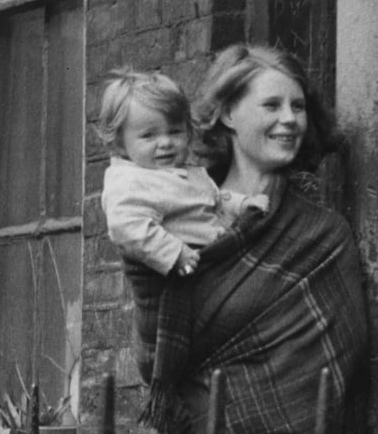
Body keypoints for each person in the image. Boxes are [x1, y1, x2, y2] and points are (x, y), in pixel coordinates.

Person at [118, 44, 367, 434]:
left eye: (298, 107)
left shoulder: (322, 237)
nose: (289, 120)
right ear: (228, 114)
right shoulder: (163, 215)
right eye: (271, 105)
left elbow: (332, 365)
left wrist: (224, 394)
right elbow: (153, 358)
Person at [98, 69, 269, 278]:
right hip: (186, 266)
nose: (166, 143)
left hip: (219, 254)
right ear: (120, 143)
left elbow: (214, 201)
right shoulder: (130, 181)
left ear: (188, 131)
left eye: (175, 131)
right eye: (148, 135)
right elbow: (127, 227)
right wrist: (175, 253)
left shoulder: (186, 172)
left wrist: (242, 204)